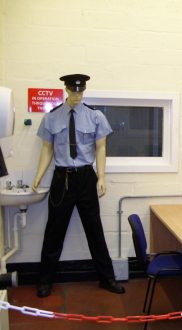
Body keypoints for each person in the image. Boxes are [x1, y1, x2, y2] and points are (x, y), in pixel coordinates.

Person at [32, 74, 125, 297]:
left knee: (94, 229)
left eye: (80, 92)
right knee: (54, 231)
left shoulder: (95, 116)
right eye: (73, 92)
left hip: (85, 177)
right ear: (66, 90)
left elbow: (101, 148)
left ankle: (107, 278)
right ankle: (45, 281)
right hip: (62, 179)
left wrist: (101, 177)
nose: (76, 95)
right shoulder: (51, 118)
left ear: (83, 91)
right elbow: (47, 149)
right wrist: (38, 175)